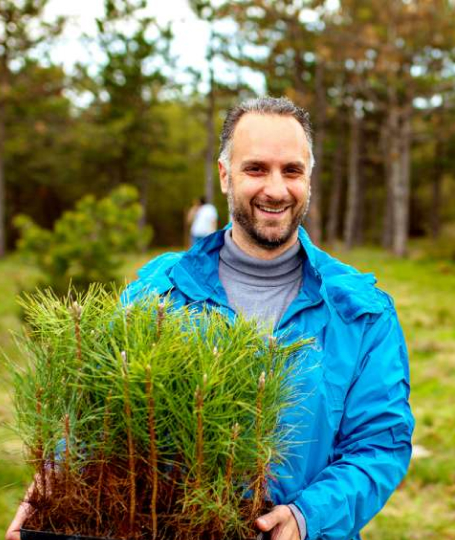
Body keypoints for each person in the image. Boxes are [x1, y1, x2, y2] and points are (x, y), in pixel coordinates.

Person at [6, 97, 414, 540]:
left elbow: (379, 446)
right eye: (256, 169)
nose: (276, 189)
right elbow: (95, 416)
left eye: (291, 170)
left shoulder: (361, 311)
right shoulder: (156, 293)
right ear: (225, 176)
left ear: (309, 180)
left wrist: (304, 517)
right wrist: (48, 486)